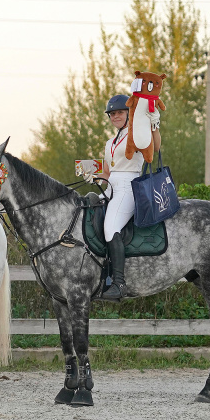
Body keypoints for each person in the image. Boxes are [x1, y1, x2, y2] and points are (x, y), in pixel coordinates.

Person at [91, 93, 162, 301]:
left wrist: (154, 124)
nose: (115, 116)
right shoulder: (110, 142)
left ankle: (119, 283)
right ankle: (101, 276)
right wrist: (92, 176)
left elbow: (156, 147)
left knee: (111, 227)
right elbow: (107, 172)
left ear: (129, 113)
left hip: (129, 187)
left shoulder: (136, 134)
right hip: (112, 186)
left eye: (120, 112)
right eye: (112, 114)